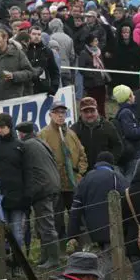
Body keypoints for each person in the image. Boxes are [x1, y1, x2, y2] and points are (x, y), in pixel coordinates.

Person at [66, 152, 127, 280]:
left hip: (93, 227)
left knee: (106, 256)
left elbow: (76, 207)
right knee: (110, 258)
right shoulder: (115, 176)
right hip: (112, 224)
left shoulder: (86, 179)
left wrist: (72, 233)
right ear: (111, 164)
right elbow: (127, 197)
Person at [15, 122, 63, 270]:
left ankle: (54, 259)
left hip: (42, 190)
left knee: (46, 225)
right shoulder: (41, 142)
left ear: (22, 133)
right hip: (53, 186)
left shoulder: (27, 145)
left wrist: (29, 194)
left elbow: (29, 171)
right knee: (43, 225)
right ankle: (45, 257)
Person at [38, 103, 87, 242]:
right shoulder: (43, 134)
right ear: (50, 115)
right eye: (56, 112)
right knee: (57, 217)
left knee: (76, 214)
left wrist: (79, 174)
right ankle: (61, 245)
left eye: (63, 113)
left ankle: (79, 242)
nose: (60, 115)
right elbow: (40, 161)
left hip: (72, 184)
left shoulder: (71, 134)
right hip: (55, 185)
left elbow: (83, 155)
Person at [0, 113, 32, 254]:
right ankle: (4, 263)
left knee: (17, 233)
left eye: (2, 127)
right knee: (1, 235)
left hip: (18, 197)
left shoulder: (20, 146)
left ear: (10, 127)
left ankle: (18, 263)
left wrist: (27, 195)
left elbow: (27, 171)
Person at [70, 97, 122, 170]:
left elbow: (118, 146)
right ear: (81, 113)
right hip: (82, 172)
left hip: (104, 170)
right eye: (86, 112)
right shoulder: (74, 129)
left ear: (97, 110)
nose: (89, 115)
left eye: (92, 111)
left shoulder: (108, 126)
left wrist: (109, 163)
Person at [112, 85, 140, 175]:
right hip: (135, 155)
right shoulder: (126, 112)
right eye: (132, 94)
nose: (134, 96)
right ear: (128, 97)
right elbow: (130, 132)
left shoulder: (126, 111)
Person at [0, 29, 34, 101]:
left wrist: (14, 75)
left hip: (14, 99)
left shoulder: (17, 53)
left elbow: (29, 72)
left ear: (5, 38)